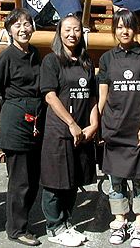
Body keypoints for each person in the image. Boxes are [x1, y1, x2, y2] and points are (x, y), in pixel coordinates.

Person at [98, 9, 140, 248]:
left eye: (129, 26)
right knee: (117, 180)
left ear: (136, 29)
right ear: (115, 30)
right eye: (120, 27)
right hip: (114, 128)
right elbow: (103, 95)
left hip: (138, 129)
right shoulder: (106, 59)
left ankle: (139, 226)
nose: (124, 31)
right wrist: (98, 123)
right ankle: (120, 222)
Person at [0, 8, 44, 246]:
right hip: (15, 121)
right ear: (9, 30)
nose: (23, 29)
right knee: (20, 180)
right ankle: (16, 229)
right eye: (18, 25)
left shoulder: (35, 54)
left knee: (33, 176)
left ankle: (23, 221)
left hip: (35, 122)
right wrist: (4, 119)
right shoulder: (5, 57)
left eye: (27, 24)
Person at [39, 15, 99, 247]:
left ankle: (66, 222)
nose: (72, 34)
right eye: (67, 30)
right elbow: (50, 95)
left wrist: (93, 123)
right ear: (59, 33)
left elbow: (92, 96)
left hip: (83, 131)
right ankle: (54, 227)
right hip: (60, 131)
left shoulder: (85, 62)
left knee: (74, 179)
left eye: (76, 30)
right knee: (56, 181)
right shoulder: (52, 61)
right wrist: (71, 124)